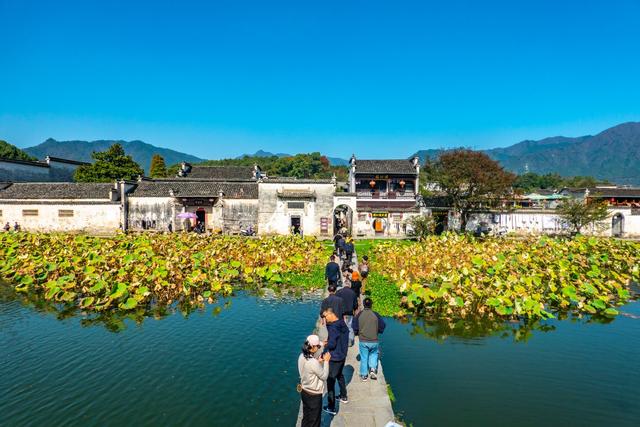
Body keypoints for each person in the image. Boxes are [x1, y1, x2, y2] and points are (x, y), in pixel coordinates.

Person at [298, 334, 331, 427]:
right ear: (313, 347)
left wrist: (318, 361)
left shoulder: (301, 356)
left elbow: (308, 369)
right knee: (314, 421)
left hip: (304, 392)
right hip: (314, 395)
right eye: (318, 346)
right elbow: (324, 376)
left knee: (306, 417)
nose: (319, 347)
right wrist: (326, 361)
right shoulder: (313, 362)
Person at [322, 307, 349, 415]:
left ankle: (331, 407)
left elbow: (332, 344)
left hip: (335, 357)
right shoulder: (342, 323)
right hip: (342, 354)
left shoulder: (333, 327)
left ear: (330, 315)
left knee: (330, 381)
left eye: (325, 317)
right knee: (340, 375)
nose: (324, 320)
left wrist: (325, 344)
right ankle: (343, 396)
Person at [353, 297, 386, 381]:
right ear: (371, 305)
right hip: (374, 340)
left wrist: (357, 333)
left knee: (364, 357)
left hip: (363, 340)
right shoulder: (376, 314)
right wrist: (378, 331)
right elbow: (382, 325)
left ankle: (364, 375)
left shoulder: (359, 315)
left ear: (363, 305)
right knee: (374, 355)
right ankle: (372, 370)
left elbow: (354, 326)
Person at [336, 282, 358, 346]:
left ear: (344, 285)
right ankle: (350, 342)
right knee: (350, 326)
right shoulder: (353, 293)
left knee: (340, 326)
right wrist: (355, 309)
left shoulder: (339, 292)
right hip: (349, 312)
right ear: (349, 286)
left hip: (340, 313)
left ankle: (340, 341)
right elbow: (355, 304)